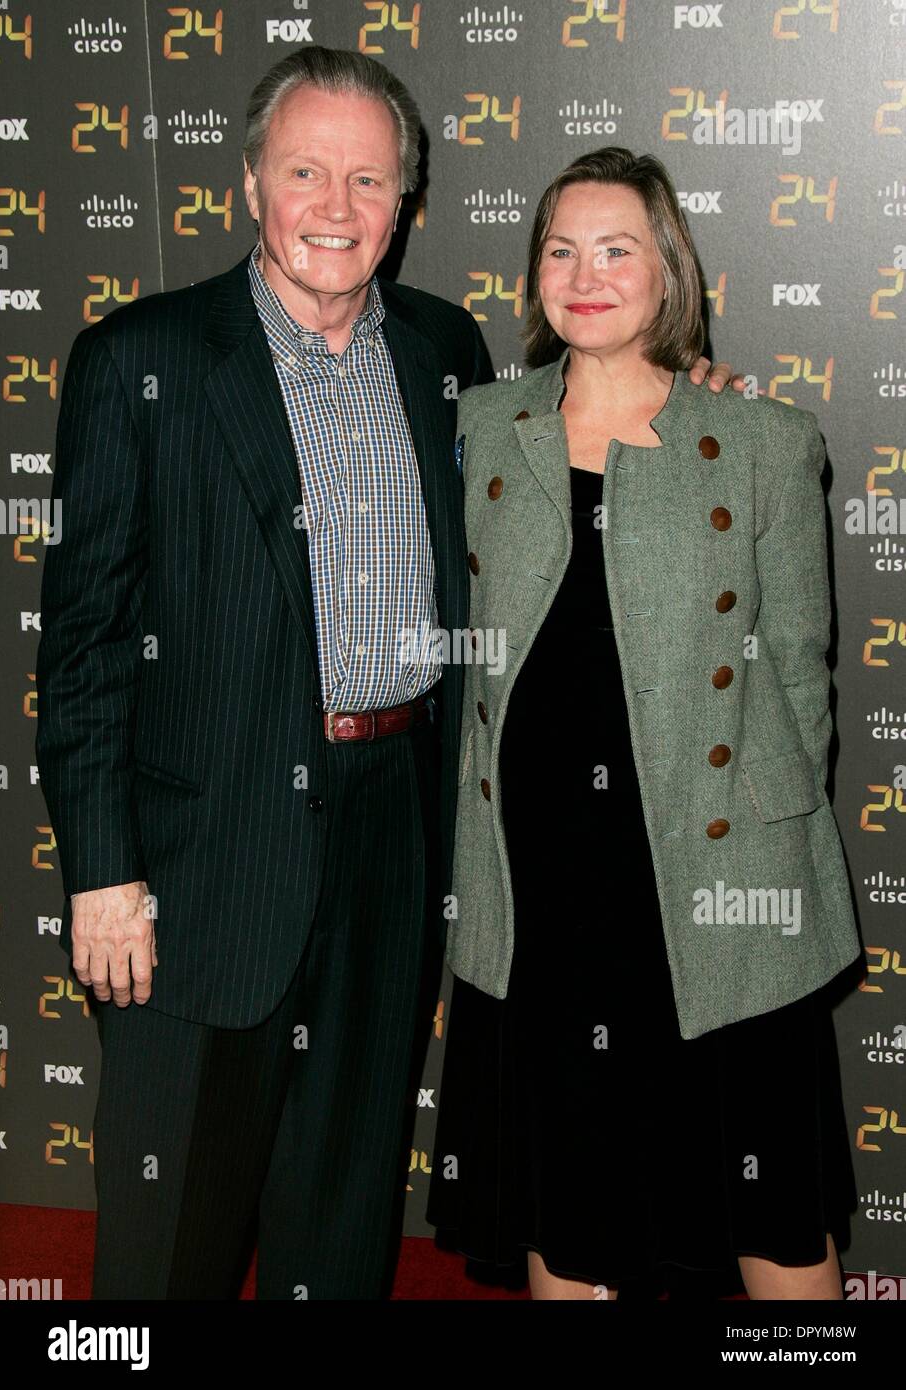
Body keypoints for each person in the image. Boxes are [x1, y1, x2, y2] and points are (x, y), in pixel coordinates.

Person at [36, 42, 744, 1299]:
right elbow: (86, 650)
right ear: (252, 182)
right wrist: (101, 876)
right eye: (306, 170)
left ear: (404, 205)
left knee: (342, 1214)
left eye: (368, 180)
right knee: (166, 1249)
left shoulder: (441, 351)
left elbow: (564, 467)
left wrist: (688, 413)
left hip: (394, 841)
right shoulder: (137, 362)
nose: (335, 206)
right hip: (202, 866)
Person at [426, 147, 864, 1302]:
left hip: (715, 885)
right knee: (565, 1212)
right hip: (542, 889)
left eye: (616, 248)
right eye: (559, 250)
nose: (585, 273)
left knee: (773, 1218)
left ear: (668, 270)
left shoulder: (765, 440)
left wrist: (752, 848)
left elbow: (802, 685)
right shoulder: (473, 431)